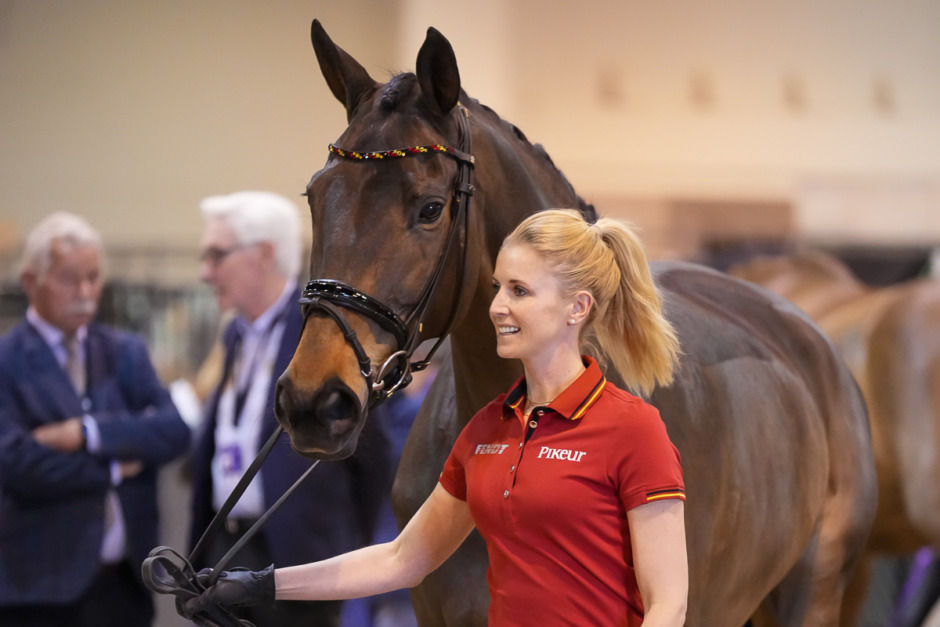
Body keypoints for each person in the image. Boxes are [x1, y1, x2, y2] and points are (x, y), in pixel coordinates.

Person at [181, 208, 688, 626]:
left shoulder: (632, 428)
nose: (496, 307)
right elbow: (402, 559)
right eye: (497, 287)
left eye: (519, 291)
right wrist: (255, 584)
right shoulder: (488, 428)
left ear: (577, 307)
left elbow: (668, 603)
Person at [190, 191, 393, 626]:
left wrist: (346, 549)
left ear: (263, 254)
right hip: (224, 553)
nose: (206, 272)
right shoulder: (235, 337)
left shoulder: (321, 338)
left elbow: (374, 457)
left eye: (216, 255)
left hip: (299, 564)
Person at [0, 212, 191, 627]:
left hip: (124, 584)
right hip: (39, 589)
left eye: (94, 277)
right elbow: (16, 463)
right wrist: (115, 467)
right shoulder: (7, 361)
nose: (86, 292)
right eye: (70, 279)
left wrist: (88, 433)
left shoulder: (125, 352)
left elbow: (174, 431)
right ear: (32, 281)